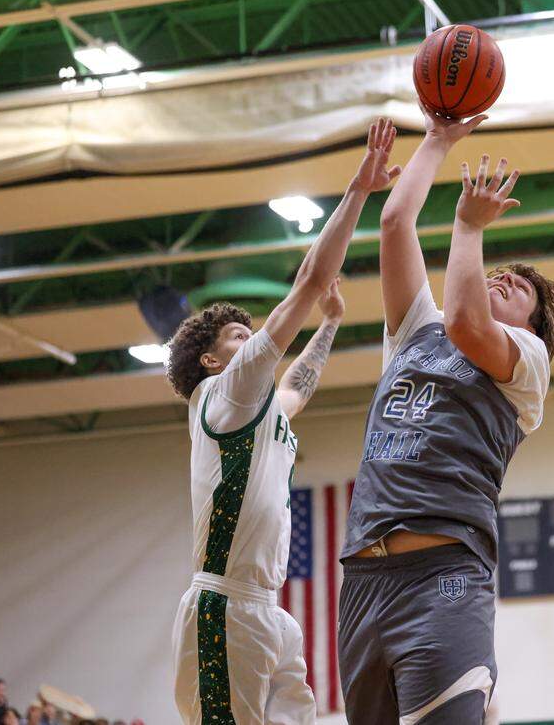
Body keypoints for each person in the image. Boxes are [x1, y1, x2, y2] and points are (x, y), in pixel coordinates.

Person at [167, 117, 401, 724]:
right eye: (239, 337)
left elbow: (297, 388)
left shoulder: (260, 406)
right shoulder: (225, 391)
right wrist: (357, 191)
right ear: (212, 359)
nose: (253, 345)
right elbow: (311, 279)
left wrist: (327, 325)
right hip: (225, 604)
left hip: (268, 608)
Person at [337, 105, 554, 724]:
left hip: (445, 577)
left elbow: (467, 321)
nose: (503, 279)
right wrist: (436, 141)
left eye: (520, 288)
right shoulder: (415, 332)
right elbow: (393, 224)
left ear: (536, 325)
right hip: (363, 581)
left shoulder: (526, 361)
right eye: (498, 274)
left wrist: (468, 230)